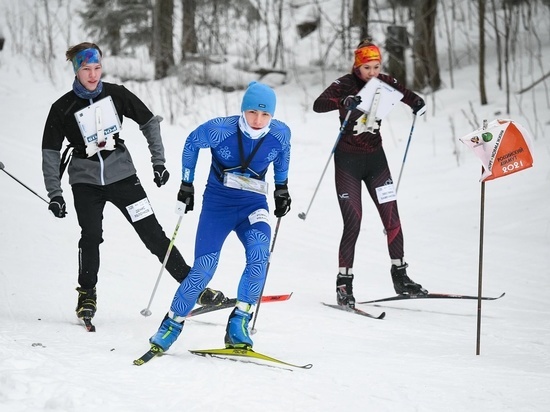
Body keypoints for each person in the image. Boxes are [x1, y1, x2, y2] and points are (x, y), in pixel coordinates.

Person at [41, 42, 223, 325]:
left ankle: (193, 288)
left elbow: (149, 122)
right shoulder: (62, 108)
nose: (92, 75)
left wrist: (158, 162)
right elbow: (50, 152)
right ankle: (87, 294)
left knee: (154, 235)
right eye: (86, 69)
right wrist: (55, 193)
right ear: (76, 70)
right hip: (85, 183)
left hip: (123, 177)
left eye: (97, 68)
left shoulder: (116, 95)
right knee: (90, 237)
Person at [147, 81, 292, 352]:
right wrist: (186, 184)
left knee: (260, 255)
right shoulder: (221, 129)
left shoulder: (280, 133)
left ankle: (239, 323)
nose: (258, 120)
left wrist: (282, 188)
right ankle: (172, 323)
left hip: (253, 205)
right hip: (218, 207)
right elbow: (191, 143)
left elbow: (283, 155)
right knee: (204, 268)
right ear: (243, 110)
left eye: (265, 115)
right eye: (252, 113)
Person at [312, 39, 428, 308]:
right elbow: (319, 104)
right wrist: (344, 101)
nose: (373, 72)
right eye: (367, 67)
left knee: (392, 217)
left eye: (376, 66)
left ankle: (401, 277)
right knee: (354, 222)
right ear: (357, 66)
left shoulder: (384, 81)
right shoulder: (345, 84)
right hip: (348, 164)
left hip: (376, 162)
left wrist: (416, 102)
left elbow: (406, 95)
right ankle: (344, 284)